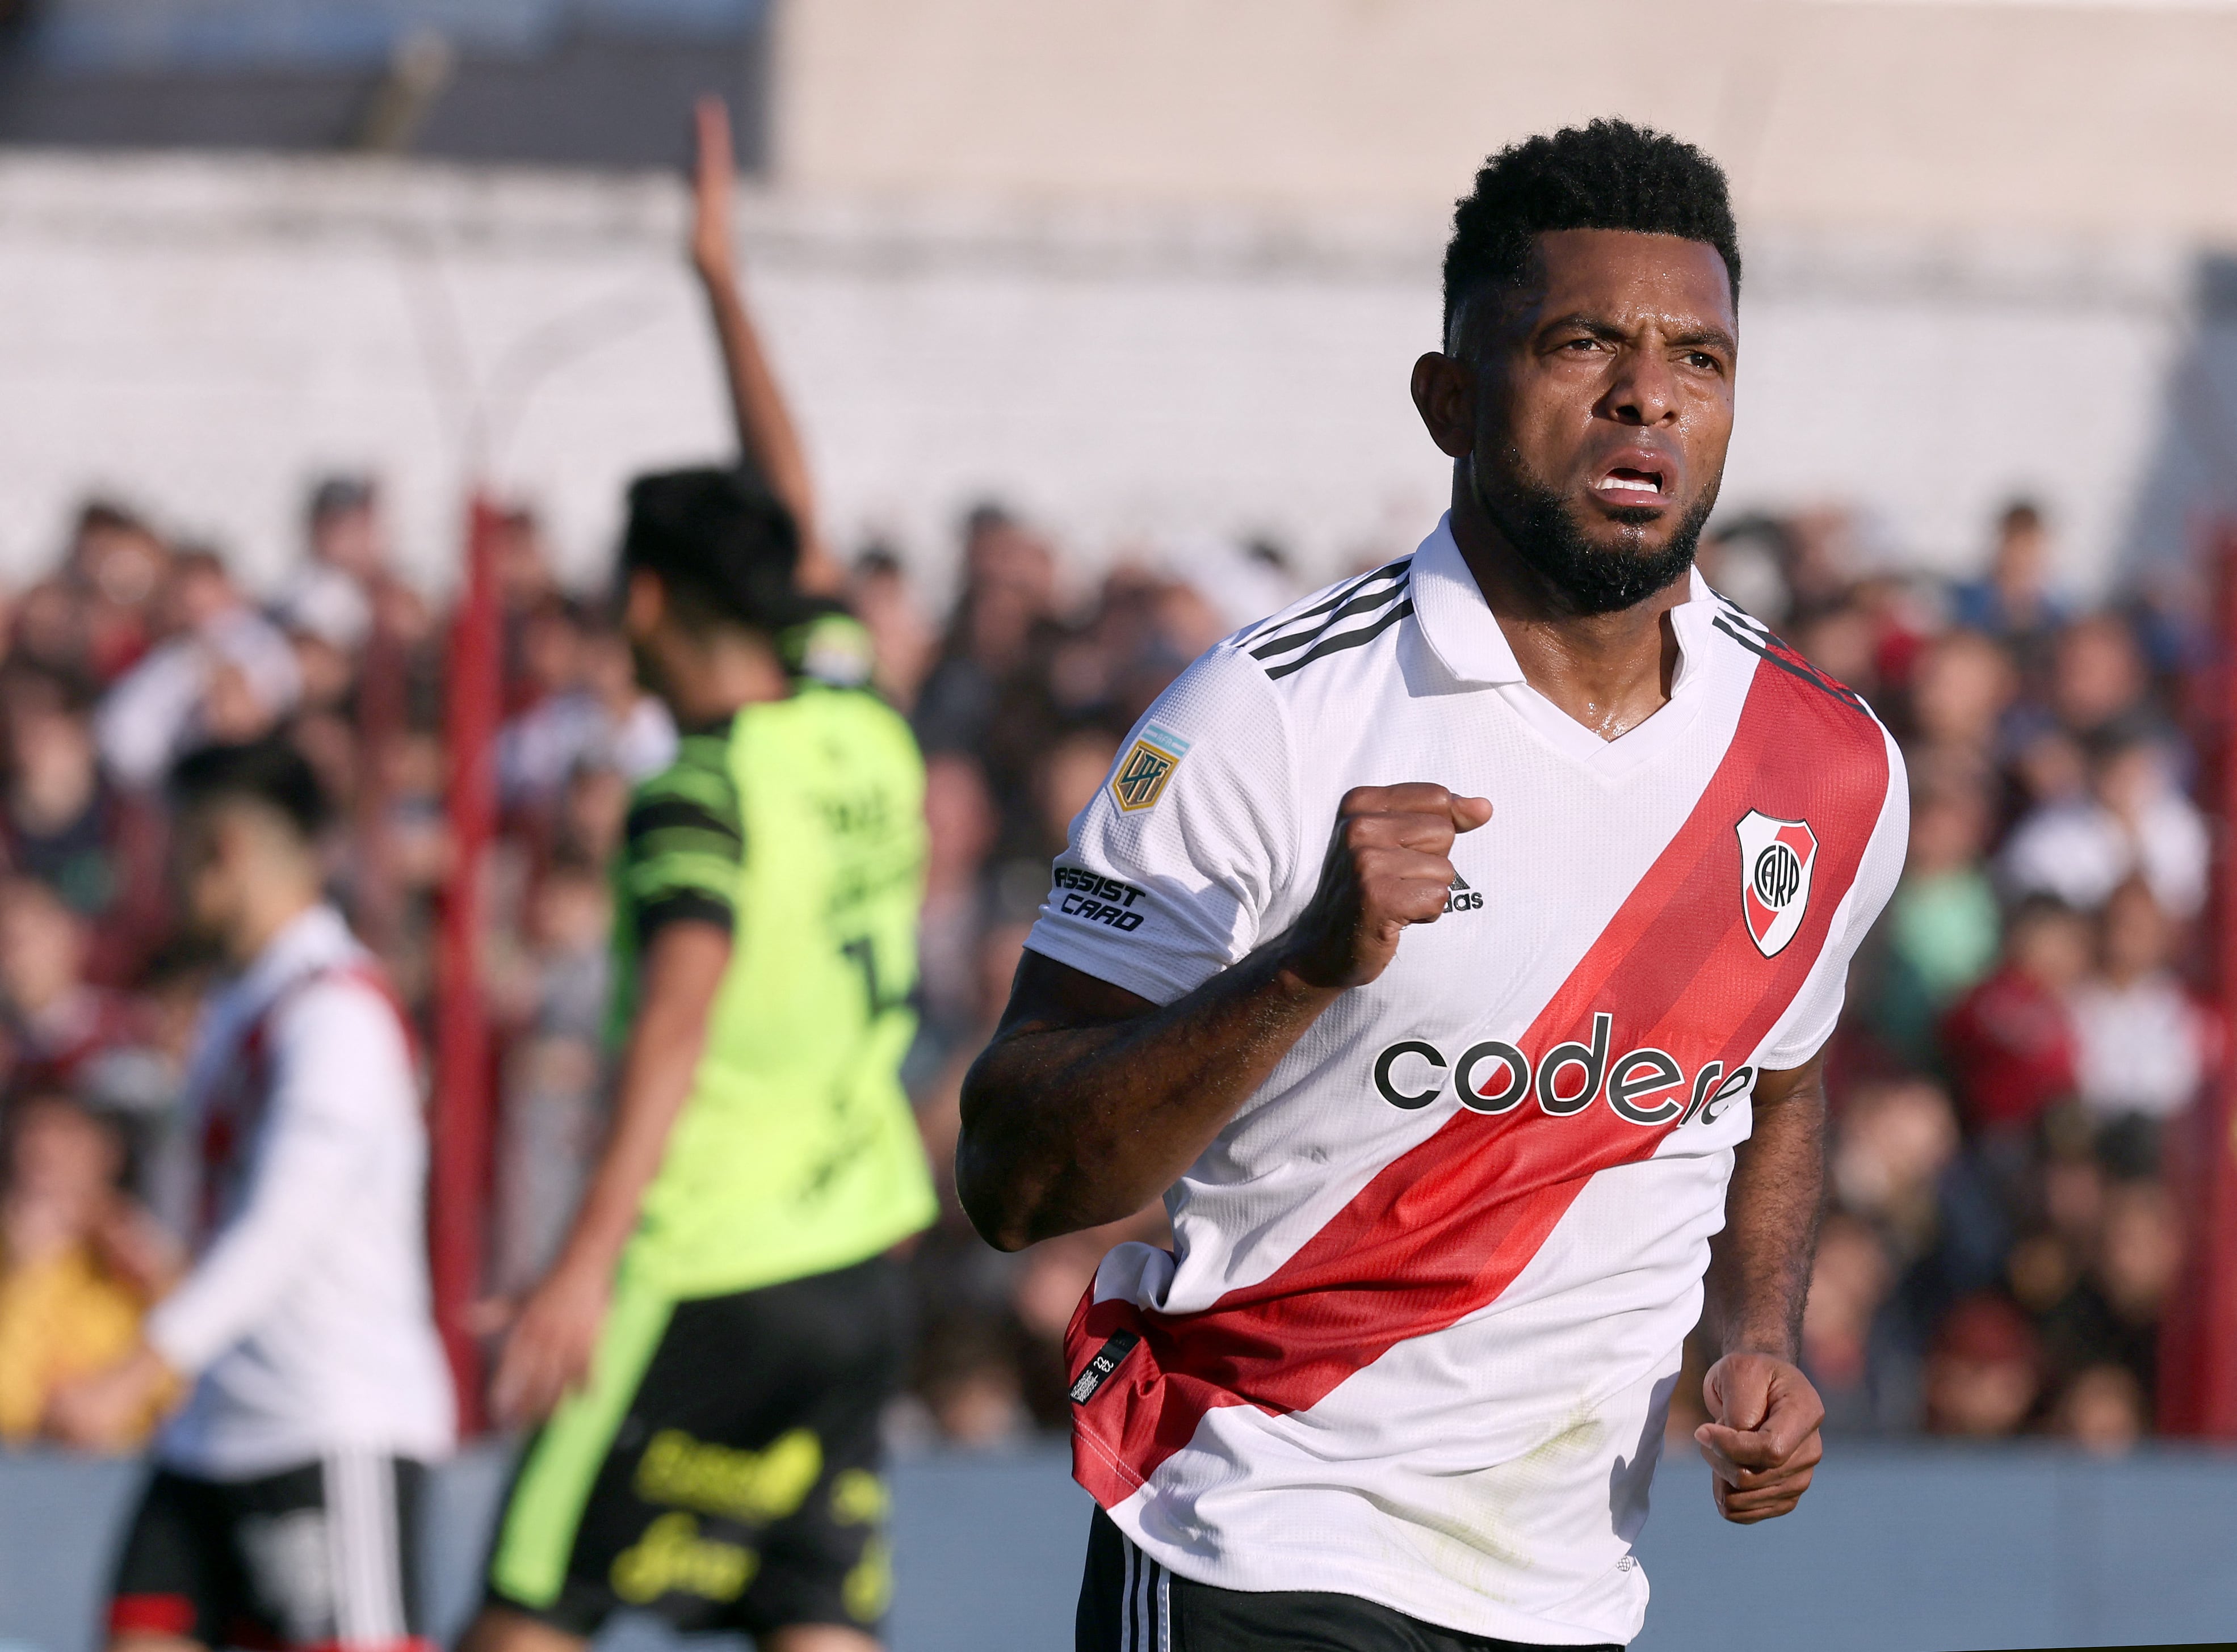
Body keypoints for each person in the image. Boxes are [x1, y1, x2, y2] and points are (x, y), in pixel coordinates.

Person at [956, 120, 1908, 1651]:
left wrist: (1755, 1336)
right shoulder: (1266, 718)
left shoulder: (1830, 766)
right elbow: (1012, 1176)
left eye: (1697, 358)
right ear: (1447, 398)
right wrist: (1300, 970)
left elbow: (1776, 1084)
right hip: (1251, 1545)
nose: (1644, 395)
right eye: (1581, 343)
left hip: (1567, 1595)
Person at [462, 469, 936, 1652]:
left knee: (530, 1604)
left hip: (702, 1265)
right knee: (814, 1608)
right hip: (856, 1261)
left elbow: (678, 1014)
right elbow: (800, 506)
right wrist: (722, 283)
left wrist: (582, 1263)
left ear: (644, 598)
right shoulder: (867, 728)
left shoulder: (699, 786)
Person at [49, 736, 454, 1651]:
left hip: (324, 1424)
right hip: (213, 1430)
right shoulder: (242, 1002)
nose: (162, 877)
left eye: (175, 848)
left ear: (222, 850)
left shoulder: (337, 1013)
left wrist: (136, 1371)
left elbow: (285, 1225)